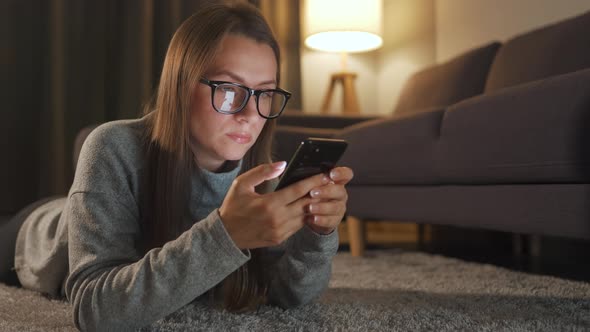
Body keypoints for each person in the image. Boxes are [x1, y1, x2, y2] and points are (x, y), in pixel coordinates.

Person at [0, 2, 354, 331]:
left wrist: (316, 235)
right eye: (230, 89)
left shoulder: (262, 174)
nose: (250, 114)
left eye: (264, 93)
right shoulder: (111, 144)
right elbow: (96, 310)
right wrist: (227, 234)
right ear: (180, 86)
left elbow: (288, 296)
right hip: (35, 235)